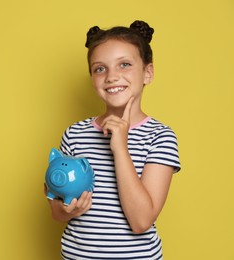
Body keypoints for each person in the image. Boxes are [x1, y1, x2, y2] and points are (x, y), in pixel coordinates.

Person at [45, 20, 181, 259]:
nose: (111, 76)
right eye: (100, 68)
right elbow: (57, 211)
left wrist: (120, 148)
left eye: (125, 65)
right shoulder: (74, 134)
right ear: (92, 77)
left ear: (147, 73)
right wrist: (68, 210)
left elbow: (141, 222)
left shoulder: (160, 137)